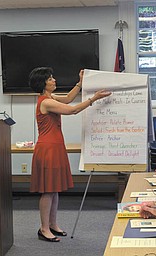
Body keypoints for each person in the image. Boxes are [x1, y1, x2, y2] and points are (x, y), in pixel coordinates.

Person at [29, 67, 111, 242]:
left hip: (56, 146)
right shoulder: (45, 101)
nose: (54, 80)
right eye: (50, 78)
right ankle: (44, 229)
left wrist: (80, 83)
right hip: (48, 148)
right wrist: (93, 99)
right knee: (48, 190)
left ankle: (52, 224)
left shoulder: (50, 98)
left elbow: (67, 99)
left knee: (55, 189)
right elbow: (71, 110)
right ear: (43, 83)